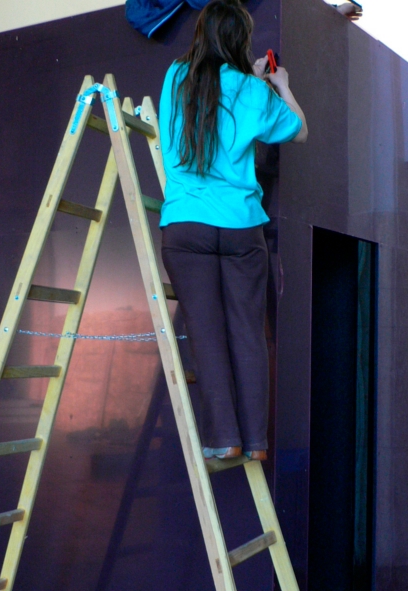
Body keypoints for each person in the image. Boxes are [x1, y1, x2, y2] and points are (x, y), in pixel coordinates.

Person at [158, 0, 307, 461]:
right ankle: (256, 441)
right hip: (242, 228)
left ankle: (225, 438)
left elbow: (204, 102)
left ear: (201, 34)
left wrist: (249, 83)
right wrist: (278, 85)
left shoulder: (175, 76)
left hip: (187, 226)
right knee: (248, 334)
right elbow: (299, 130)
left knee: (206, 334)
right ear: (241, 41)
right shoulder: (251, 89)